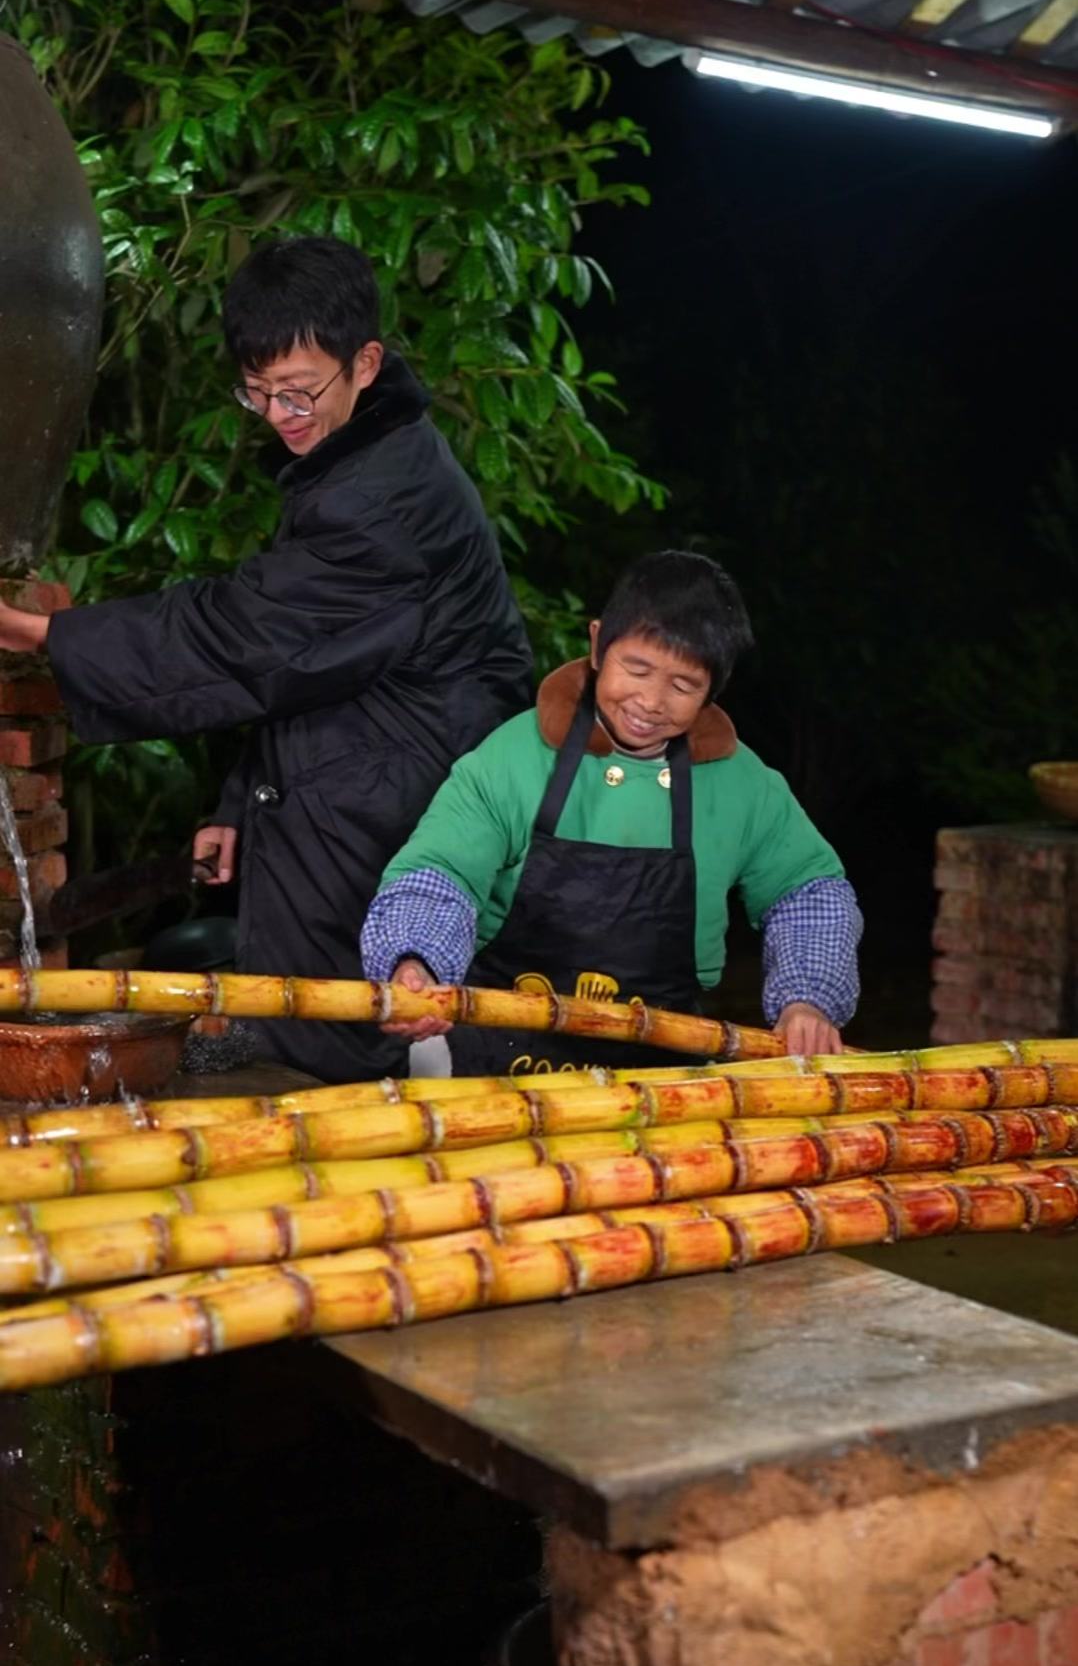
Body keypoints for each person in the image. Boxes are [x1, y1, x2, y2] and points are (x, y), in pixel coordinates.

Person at [0, 236, 533, 1081]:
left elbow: (243, 634)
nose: (280, 414)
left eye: (297, 391)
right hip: (344, 779)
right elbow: (311, 665)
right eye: (257, 393)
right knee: (300, 1017)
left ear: (365, 362)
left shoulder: (385, 498)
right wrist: (240, 805)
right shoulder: (349, 454)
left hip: (399, 810)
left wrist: (44, 636)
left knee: (352, 1043)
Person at [360, 549, 862, 1072]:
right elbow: (442, 872)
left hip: (662, 1072)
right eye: (637, 669)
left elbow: (809, 891)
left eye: (683, 685)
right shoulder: (512, 758)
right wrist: (415, 962)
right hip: (490, 1060)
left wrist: (808, 999)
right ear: (599, 644)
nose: (650, 701)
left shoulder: (743, 787)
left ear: (713, 690)